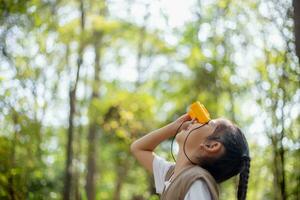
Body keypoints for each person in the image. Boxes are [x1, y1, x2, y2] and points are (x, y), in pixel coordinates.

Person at [130, 113, 250, 200]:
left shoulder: (197, 182)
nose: (197, 119)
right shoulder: (171, 174)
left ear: (211, 146)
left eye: (208, 122)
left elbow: (138, 148)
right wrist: (174, 127)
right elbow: (138, 148)